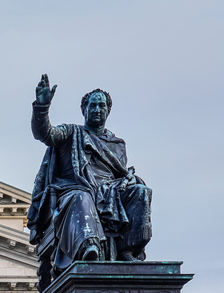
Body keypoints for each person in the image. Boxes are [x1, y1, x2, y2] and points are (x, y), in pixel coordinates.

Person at [27, 74, 152, 276]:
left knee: (141, 191)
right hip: (74, 187)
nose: (97, 110)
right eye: (92, 106)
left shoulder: (117, 144)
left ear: (108, 111)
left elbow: (119, 175)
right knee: (81, 197)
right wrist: (42, 108)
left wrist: (128, 180)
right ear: (84, 110)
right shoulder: (70, 133)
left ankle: (128, 249)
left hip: (110, 192)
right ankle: (88, 247)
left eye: (101, 106)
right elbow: (45, 133)